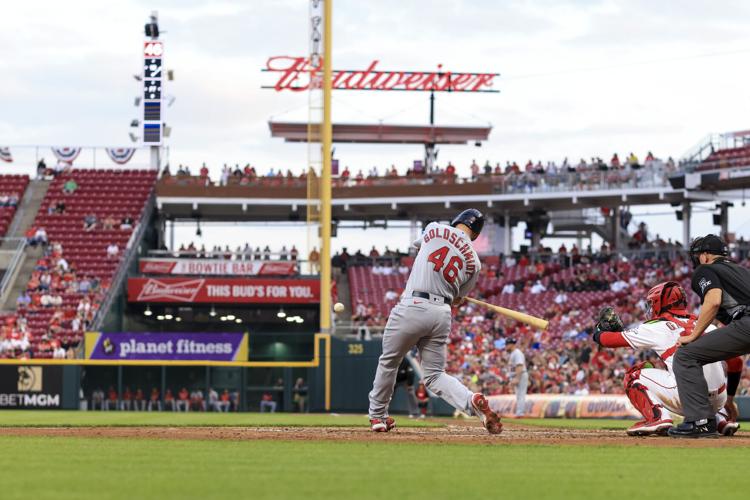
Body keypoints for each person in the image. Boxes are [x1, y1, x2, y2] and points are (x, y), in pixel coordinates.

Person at [367, 208, 502, 434]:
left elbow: (418, 248)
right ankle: (471, 400)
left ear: (457, 221)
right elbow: (457, 299)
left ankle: (378, 417)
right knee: (435, 375)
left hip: (413, 304)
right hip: (440, 313)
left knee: (389, 362)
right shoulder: (475, 263)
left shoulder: (434, 228)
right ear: (476, 235)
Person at [594, 281, 741, 437]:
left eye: (651, 303)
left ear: (659, 303)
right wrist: (729, 399)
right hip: (719, 400)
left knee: (634, 375)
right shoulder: (708, 325)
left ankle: (658, 418)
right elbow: (736, 362)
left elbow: (608, 340)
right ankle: (718, 419)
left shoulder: (657, 326)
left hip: (688, 397)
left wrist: (598, 332)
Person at [670, 235, 750, 438]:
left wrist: (694, 335)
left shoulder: (705, 269)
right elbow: (736, 356)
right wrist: (730, 398)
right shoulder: (742, 271)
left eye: (698, 256)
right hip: (745, 325)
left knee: (686, 355)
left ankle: (701, 422)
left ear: (705, 256)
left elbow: (713, 300)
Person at [506, 338, 528, 418]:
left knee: (521, 395)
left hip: (520, 375)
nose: (506, 347)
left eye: (507, 345)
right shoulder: (513, 353)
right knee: (519, 395)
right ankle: (519, 413)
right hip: (517, 375)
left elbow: (520, 365)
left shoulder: (517, 353)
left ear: (511, 344)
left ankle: (520, 414)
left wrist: (517, 378)